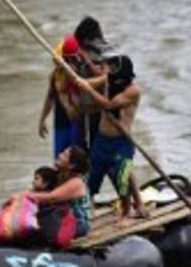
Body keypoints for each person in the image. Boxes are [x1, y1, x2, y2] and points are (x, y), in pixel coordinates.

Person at [82, 55, 147, 225]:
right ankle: (87, 208)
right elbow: (87, 83)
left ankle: (127, 212)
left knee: (121, 175)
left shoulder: (133, 90)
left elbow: (109, 105)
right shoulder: (107, 80)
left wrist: (88, 90)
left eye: (112, 68)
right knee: (93, 175)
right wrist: (80, 81)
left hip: (122, 141)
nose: (108, 72)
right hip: (102, 140)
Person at [38, 34, 106, 155]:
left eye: (72, 59)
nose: (70, 62)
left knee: (78, 159)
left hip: (77, 123)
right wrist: (42, 119)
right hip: (61, 124)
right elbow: (50, 97)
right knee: (60, 160)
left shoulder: (81, 72)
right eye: (67, 59)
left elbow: (100, 81)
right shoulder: (56, 75)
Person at [20, 145, 91, 248]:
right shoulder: (57, 175)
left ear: (72, 165)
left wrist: (24, 195)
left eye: (64, 155)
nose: (59, 155)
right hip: (59, 217)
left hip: (77, 223)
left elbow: (51, 197)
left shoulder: (77, 182)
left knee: (46, 209)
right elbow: (38, 191)